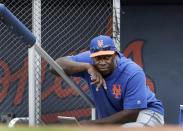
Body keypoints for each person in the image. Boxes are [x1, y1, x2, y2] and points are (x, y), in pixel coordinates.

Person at [50, 35, 164, 127]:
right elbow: (54, 67)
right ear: (92, 56)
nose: (102, 62)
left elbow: (132, 115)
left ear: (114, 55)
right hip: (116, 121)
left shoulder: (132, 72)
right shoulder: (88, 61)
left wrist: (91, 124)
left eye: (106, 57)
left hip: (147, 113)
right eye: (98, 58)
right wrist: (87, 67)